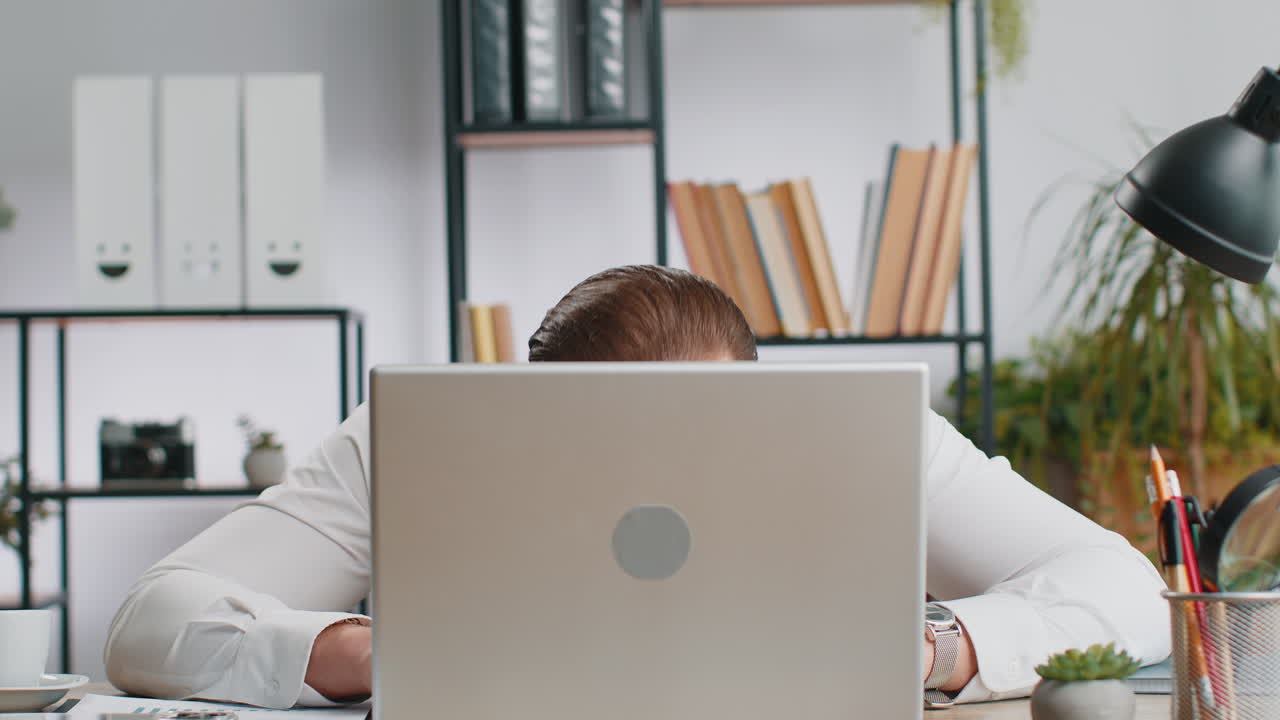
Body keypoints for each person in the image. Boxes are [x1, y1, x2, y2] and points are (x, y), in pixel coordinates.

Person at [104, 265, 1169, 709]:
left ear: (760, 402)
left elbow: (1119, 586)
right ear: (524, 415)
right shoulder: (412, 442)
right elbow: (150, 621)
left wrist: (935, 645)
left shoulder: (860, 439)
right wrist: (356, 654)